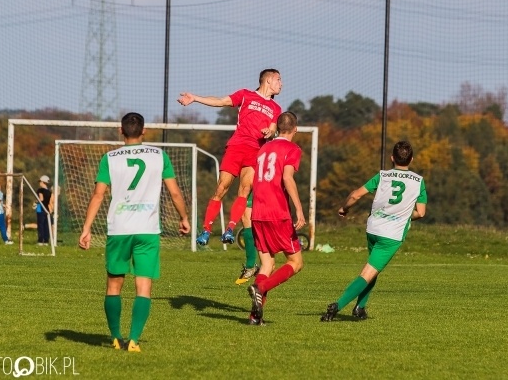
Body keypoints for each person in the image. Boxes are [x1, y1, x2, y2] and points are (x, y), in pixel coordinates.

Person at [78, 112, 191, 352]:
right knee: (144, 287)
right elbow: (175, 193)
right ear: (144, 131)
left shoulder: (110, 158)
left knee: (113, 285)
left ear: (121, 131)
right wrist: (184, 217)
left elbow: (98, 195)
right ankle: (135, 341)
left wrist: (87, 228)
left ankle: (117, 337)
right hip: (147, 230)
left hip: (119, 230)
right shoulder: (159, 156)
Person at [320, 140, 427, 322]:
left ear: (392, 158)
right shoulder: (418, 181)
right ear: (412, 159)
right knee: (368, 273)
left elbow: (355, 194)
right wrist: (403, 216)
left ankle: (360, 308)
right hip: (391, 235)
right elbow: (421, 213)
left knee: (372, 269)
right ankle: (336, 306)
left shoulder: (383, 176)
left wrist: (344, 208)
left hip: (373, 228)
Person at [177, 69, 282, 247]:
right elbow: (221, 101)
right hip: (237, 147)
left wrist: (270, 132)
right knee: (221, 188)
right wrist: (195, 98)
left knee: (245, 189)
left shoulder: (276, 108)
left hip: (256, 151)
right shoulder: (245, 95)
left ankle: (230, 230)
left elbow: (272, 128)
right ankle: (206, 231)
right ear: (269, 80)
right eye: (279, 80)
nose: (281, 84)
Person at [246, 111, 306, 325]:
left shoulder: (264, 149)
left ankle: (255, 317)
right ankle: (260, 287)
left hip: (258, 212)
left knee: (267, 264)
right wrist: (299, 209)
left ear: (278, 128)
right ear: (295, 129)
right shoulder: (292, 149)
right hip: (277, 212)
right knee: (296, 262)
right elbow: (287, 178)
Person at [36, 175, 54, 246]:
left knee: (40, 225)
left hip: (40, 209)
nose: (39, 183)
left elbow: (41, 199)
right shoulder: (49, 192)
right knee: (46, 225)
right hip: (47, 210)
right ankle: (46, 240)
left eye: (40, 182)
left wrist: (35, 202)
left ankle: (40, 240)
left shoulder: (40, 190)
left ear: (43, 182)